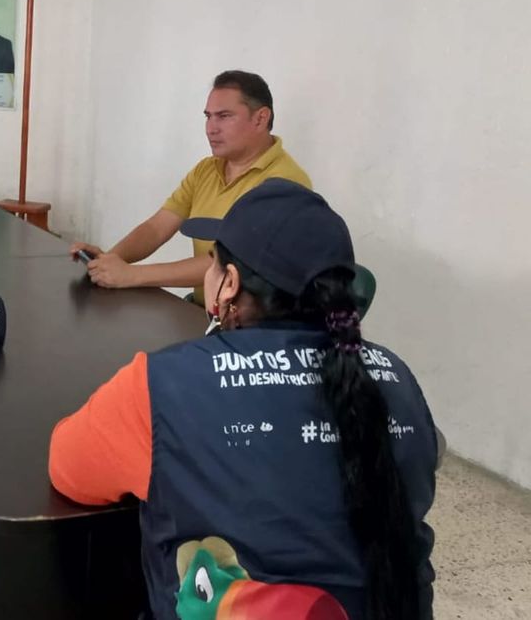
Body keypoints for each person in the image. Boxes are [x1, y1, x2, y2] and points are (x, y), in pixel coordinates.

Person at [50, 179, 437, 620]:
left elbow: (69, 470)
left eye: (212, 262)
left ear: (228, 283)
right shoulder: (397, 376)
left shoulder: (163, 383)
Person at [70, 70, 310, 301]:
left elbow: (229, 263)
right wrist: (108, 260)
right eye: (208, 116)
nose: (211, 128)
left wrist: (132, 275)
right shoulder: (206, 170)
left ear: (260, 118)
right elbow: (156, 228)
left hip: (254, 325)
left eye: (224, 116)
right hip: (204, 312)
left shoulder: (285, 183)